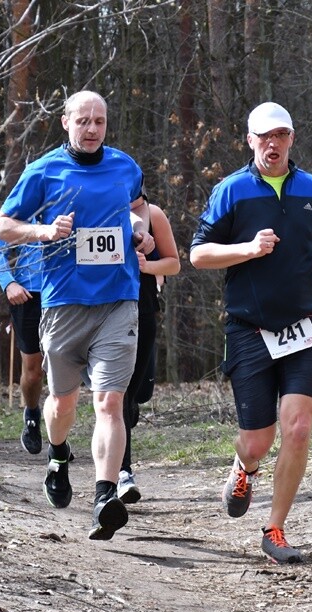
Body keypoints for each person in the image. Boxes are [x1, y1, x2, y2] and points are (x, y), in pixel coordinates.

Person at [189, 102, 312, 564]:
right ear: (250, 141)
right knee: (258, 440)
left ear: (292, 139)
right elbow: (198, 255)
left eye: (281, 135)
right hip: (248, 328)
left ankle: (275, 529)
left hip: (304, 325)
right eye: (264, 136)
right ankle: (244, 467)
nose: (273, 144)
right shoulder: (232, 191)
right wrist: (246, 249)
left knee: (298, 428)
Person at [0, 90, 155, 541]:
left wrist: (139, 230)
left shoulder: (124, 165)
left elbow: (138, 206)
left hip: (119, 300)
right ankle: (59, 454)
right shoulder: (43, 170)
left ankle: (104, 496)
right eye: (83, 121)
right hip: (64, 304)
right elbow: (1, 226)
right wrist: (42, 230)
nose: (92, 129)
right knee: (63, 403)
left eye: (99, 121)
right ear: (65, 122)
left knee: (109, 401)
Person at [118, 203, 180, 503]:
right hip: (109, 309)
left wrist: (149, 267)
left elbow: (173, 264)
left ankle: (131, 406)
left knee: (139, 392)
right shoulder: (98, 206)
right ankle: (122, 471)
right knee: (120, 395)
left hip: (143, 307)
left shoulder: (153, 214)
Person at [0, 234, 46, 454]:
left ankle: (60, 436)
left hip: (66, 292)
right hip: (29, 295)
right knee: (33, 372)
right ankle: (32, 413)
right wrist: (9, 283)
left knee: (67, 367)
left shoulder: (74, 203)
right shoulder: (25, 205)